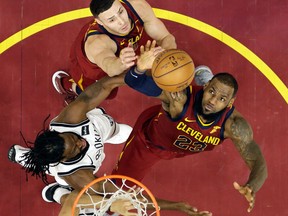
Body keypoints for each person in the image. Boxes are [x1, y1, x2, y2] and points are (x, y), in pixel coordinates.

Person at [8, 74, 211, 215]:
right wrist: (177, 205)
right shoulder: (78, 175)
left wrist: (135, 77)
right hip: (74, 168)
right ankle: (35, 162)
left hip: (102, 126)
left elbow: (105, 85)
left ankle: (37, 155)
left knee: (120, 130)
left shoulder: (67, 120)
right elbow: (129, 197)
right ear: (65, 158)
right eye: (76, 147)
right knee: (63, 182)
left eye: (73, 138)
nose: (81, 142)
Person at [111, 46, 268, 214]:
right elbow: (134, 81)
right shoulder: (179, 97)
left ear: (230, 103)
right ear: (208, 87)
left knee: (207, 103)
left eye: (222, 99)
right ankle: (203, 79)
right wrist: (140, 68)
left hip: (181, 148)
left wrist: (252, 186)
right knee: (119, 188)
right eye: (211, 91)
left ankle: (203, 77)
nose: (213, 101)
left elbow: (257, 162)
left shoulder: (234, 125)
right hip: (150, 142)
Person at [53, 0, 176, 104]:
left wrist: (164, 56)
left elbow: (167, 38)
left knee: (155, 58)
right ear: (100, 22)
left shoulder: (137, 6)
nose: (122, 22)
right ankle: (68, 85)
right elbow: (110, 68)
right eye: (112, 20)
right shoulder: (97, 43)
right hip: (96, 62)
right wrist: (121, 62)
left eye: (121, 12)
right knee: (104, 94)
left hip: (127, 46)